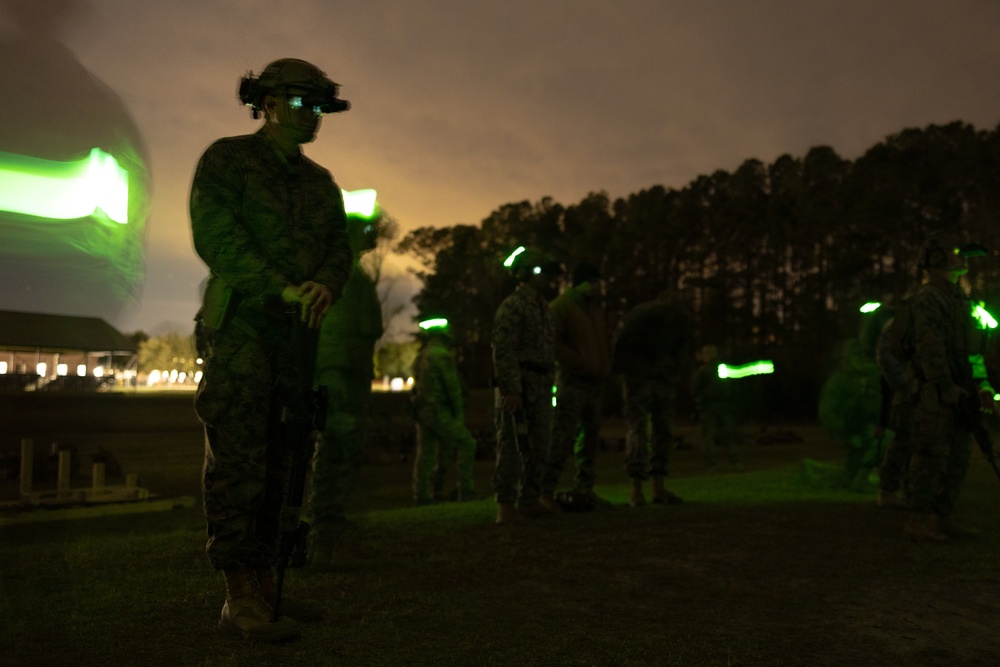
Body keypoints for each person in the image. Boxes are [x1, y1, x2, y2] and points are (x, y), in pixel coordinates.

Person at [191, 58, 353, 641]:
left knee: (286, 460)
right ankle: (238, 593)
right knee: (239, 460)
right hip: (241, 331)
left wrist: (325, 284)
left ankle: (265, 585)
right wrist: (279, 287)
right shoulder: (228, 159)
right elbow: (217, 236)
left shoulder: (320, 183)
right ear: (268, 103)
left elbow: (341, 247)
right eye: (302, 103)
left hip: (296, 341)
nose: (313, 116)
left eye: (320, 106)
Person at [904, 231, 994, 542]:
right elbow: (930, 347)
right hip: (937, 390)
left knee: (959, 453)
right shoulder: (929, 298)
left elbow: (972, 349)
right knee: (930, 454)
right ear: (940, 260)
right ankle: (918, 520)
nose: (965, 261)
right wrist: (943, 384)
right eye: (957, 255)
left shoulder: (959, 299)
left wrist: (981, 384)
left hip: (962, 387)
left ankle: (942, 517)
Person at [307, 213, 384, 564]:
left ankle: (329, 531)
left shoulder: (343, 275)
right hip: (341, 374)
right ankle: (326, 535)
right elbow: (370, 325)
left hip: (340, 371)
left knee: (336, 449)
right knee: (337, 448)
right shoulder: (347, 277)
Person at [492, 246, 562, 524]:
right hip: (521, 383)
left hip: (542, 383)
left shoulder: (543, 307)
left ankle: (529, 499)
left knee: (541, 443)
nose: (548, 279)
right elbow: (504, 349)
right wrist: (511, 389)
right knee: (511, 444)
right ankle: (506, 504)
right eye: (542, 273)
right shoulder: (513, 306)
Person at [612, 292, 694, 507]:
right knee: (641, 430)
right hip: (640, 376)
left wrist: (674, 370)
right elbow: (621, 341)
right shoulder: (644, 315)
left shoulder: (679, 319)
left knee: (660, 430)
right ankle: (638, 488)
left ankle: (654, 486)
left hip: (658, 377)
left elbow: (683, 348)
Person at [541, 262, 612, 507]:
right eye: (593, 282)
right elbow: (553, 342)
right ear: (581, 283)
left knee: (590, 438)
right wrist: (578, 363)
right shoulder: (561, 307)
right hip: (572, 381)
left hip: (594, 382)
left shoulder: (595, 309)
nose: (597, 287)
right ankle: (546, 491)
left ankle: (584, 489)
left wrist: (602, 368)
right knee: (561, 436)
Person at [411, 318, 479, 505]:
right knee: (467, 443)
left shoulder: (422, 356)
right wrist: (459, 414)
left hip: (422, 411)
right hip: (439, 410)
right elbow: (453, 387)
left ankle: (423, 494)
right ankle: (466, 489)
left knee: (426, 453)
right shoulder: (441, 355)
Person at [874, 313, 914, 509]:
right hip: (908, 391)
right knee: (904, 440)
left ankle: (908, 489)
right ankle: (888, 489)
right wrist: (904, 383)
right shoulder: (902, 323)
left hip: (917, 389)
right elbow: (886, 355)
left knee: (914, 442)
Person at [690, 344, 743, 473]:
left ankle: (711, 465)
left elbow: (694, 389)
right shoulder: (723, 369)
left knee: (708, 438)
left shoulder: (703, 371)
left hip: (708, 408)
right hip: (724, 407)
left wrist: (699, 403)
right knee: (728, 437)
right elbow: (731, 388)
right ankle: (736, 463)